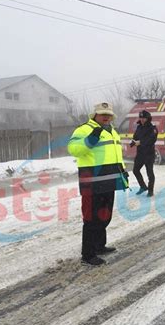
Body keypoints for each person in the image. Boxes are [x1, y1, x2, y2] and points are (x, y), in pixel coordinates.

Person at [68, 102, 129, 266]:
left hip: (110, 180)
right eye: (103, 114)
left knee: (105, 216)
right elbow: (73, 149)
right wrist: (90, 140)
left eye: (108, 114)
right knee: (91, 219)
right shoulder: (84, 130)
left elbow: (116, 155)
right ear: (94, 115)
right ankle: (87, 255)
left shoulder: (113, 131)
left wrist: (122, 172)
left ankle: (99, 246)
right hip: (92, 183)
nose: (106, 116)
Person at [130, 110, 158, 197]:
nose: (142, 119)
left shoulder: (152, 128)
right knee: (135, 170)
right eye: (141, 118)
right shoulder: (139, 127)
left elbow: (152, 139)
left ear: (148, 118)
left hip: (149, 154)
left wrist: (140, 142)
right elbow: (135, 137)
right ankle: (143, 186)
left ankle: (150, 190)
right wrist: (133, 142)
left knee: (149, 172)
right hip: (140, 154)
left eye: (144, 118)